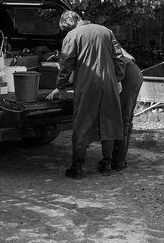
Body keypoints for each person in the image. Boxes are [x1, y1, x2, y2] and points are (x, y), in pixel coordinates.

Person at [46, 10, 125, 178]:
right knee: (108, 121)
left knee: (82, 123)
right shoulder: (106, 31)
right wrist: (118, 79)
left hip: (86, 85)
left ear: (68, 25)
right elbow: (119, 57)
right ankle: (106, 164)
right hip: (109, 83)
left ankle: (77, 168)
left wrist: (59, 87)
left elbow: (66, 64)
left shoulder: (72, 36)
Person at [112, 46, 143, 170]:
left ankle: (118, 161)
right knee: (126, 119)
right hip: (133, 71)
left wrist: (119, 79)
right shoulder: (106, 36)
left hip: (127, 73)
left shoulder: (98, 38)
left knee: (122, 119)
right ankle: (120, 159)